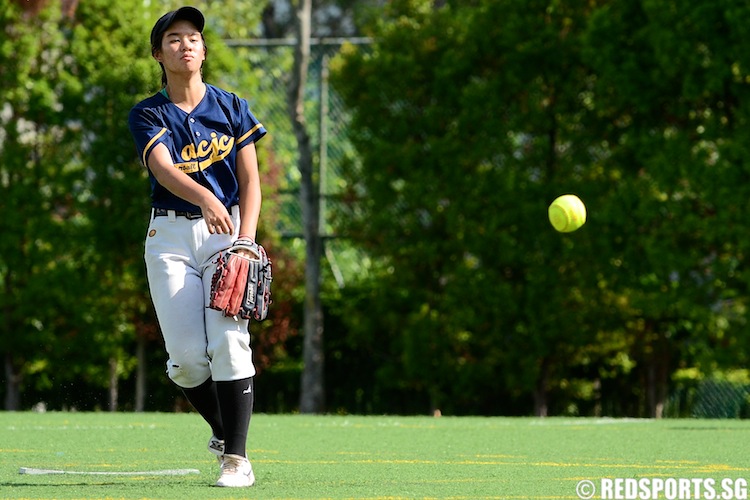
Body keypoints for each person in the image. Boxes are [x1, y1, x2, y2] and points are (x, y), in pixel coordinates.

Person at [127, 6, 266, 488]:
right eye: (173, 38)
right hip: (168, 237)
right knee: (186, 360)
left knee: (230, 341)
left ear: (204, 50)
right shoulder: (148, 112)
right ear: (158, 54)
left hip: (226, 236)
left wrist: (246, 241)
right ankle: (226, 433)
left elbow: (250, 181)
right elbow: (163, 169)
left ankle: (237, 459)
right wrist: (205, 195)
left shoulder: (231, 107)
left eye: (192, 37)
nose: (184, 44)